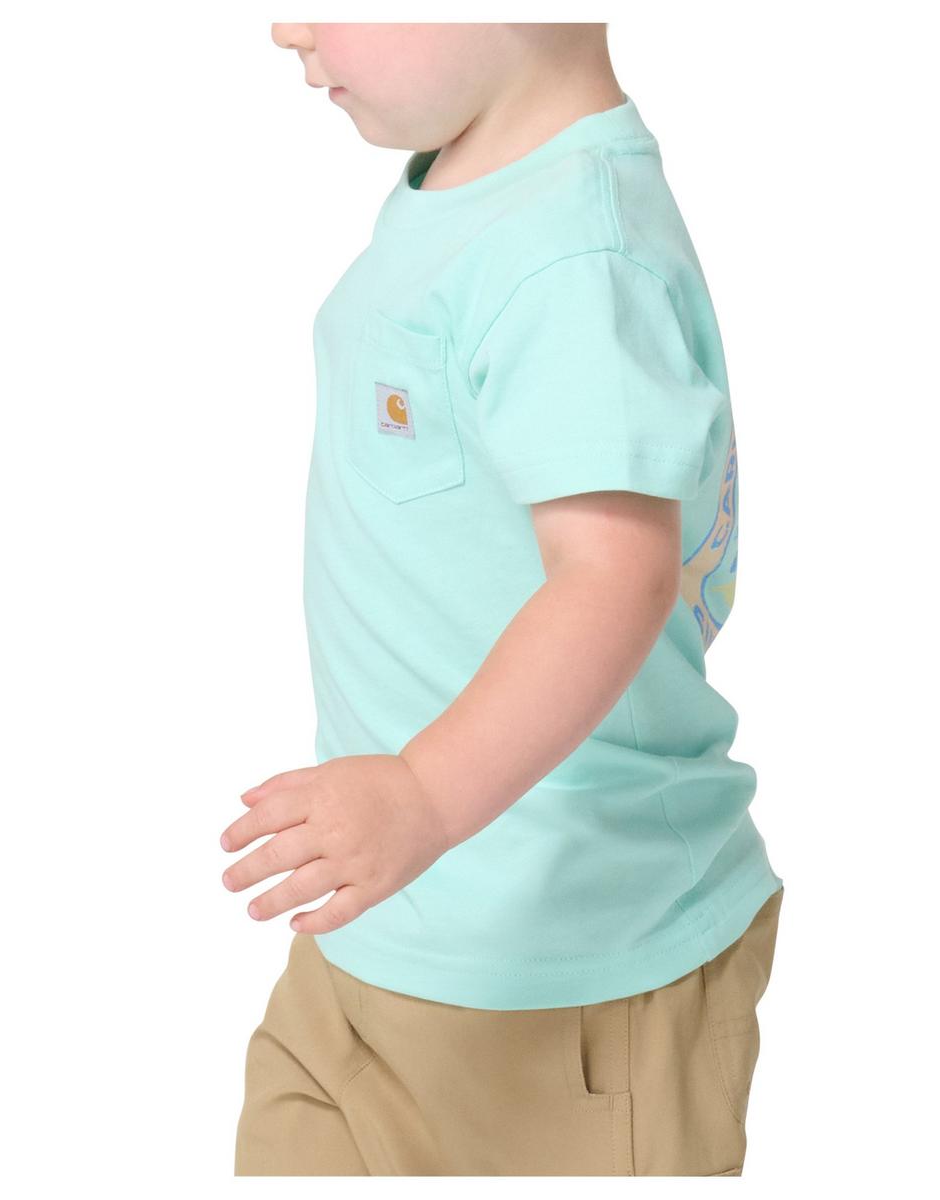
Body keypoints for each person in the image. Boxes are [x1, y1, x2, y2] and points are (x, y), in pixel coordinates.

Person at [227, 22, 785, 1176]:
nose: (289, 26)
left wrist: (423, 795)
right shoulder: (470, 184)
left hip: (569, 975)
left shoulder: (574, 256)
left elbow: (615, 576)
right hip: (389, 920)